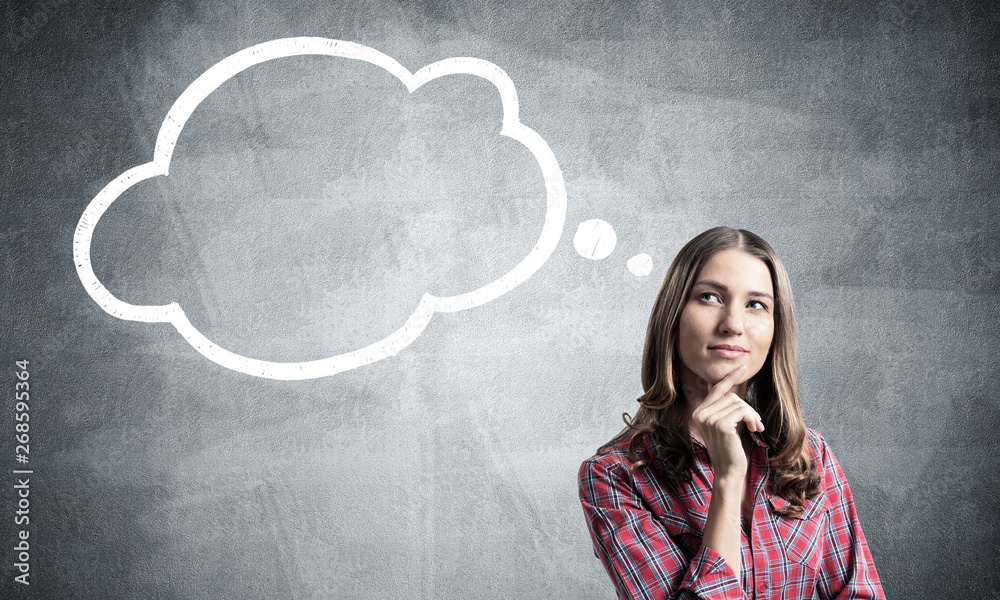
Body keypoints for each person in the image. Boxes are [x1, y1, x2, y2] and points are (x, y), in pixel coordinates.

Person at [578, 227, 885, 600]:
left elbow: (860, 593)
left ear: (775, 329)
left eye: (755, 304)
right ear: (673, 316)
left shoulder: (809, 453)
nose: (733, 325)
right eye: (709, 297)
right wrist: (727, 478)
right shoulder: (615, 476)